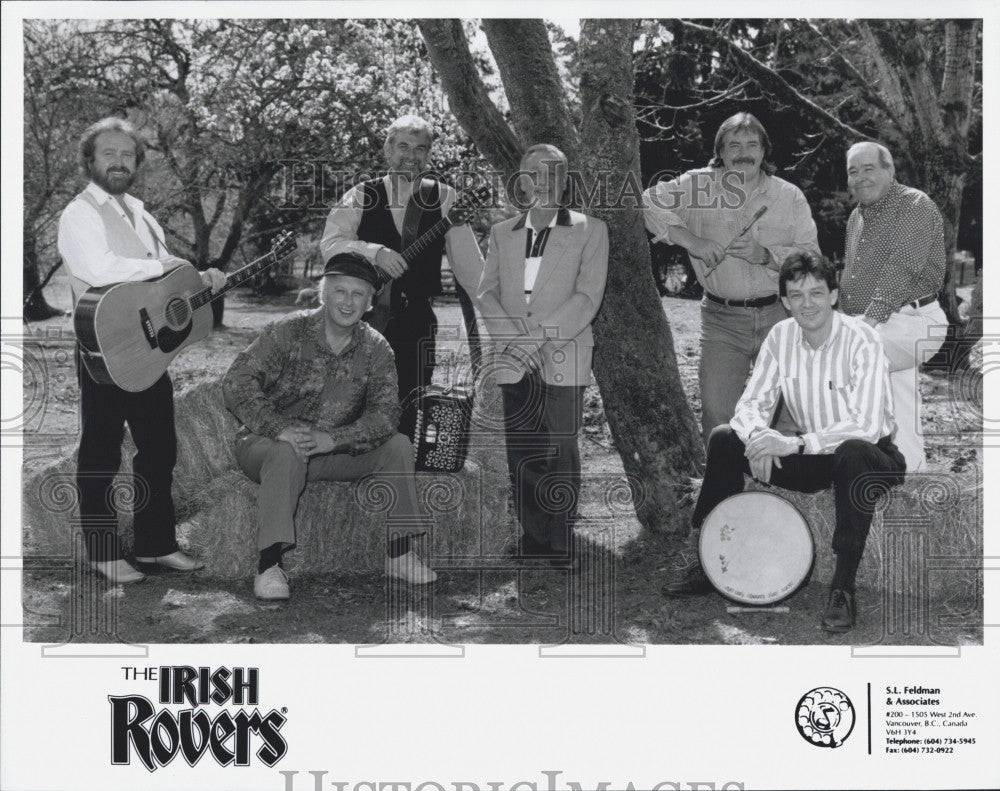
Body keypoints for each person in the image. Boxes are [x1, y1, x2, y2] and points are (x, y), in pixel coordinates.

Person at [661, 252, 905, 633]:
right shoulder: (781, 336)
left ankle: (842, 590)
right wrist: (759, 437)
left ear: (835, 295)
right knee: (725, 438)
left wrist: (794, 444)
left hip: (870, 457)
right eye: (797, 295)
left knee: (853, 452)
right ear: (786, 302)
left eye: (817, 293)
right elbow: (751, 404)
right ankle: (703, 556)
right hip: (811, 456)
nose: (807, 304)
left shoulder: (863, 339)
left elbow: (867, 425)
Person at [57, 117, 225, 584]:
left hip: (150, 350)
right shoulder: (79, 214)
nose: (118, 161)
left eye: (127, 154)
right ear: (89, 160)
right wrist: (162, 264)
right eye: (108, 153)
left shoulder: (142, 213)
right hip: (104, 348)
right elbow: (99, 266)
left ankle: (155, 546)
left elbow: (161, 281)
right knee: (101, 451)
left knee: (159, 451)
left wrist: (200, 278)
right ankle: (103, 552)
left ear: (137, 163)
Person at [222, 253, 437, 601]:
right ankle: (269, 565)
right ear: (324, 293)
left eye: (358, 294)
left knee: (397, 444)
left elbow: (385, 416)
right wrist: (279, 428)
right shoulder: (287, 331)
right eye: (340, 291)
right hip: (267, 446)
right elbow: (236, 381)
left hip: (329, 451)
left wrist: (333, 440)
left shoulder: (376, 348)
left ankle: (399, 554)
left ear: (369, 304)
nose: (347, 301)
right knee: (286, 450)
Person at [643, 112, 821, 444]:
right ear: (720, 152)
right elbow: (647, 202)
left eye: (752, 144)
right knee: (718, 416)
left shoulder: (788, 195)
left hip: (781, 318)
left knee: (788, 414)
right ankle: (725, 493)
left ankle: (784, 492)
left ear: (764, 151)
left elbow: (811, 256)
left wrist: (766, 255)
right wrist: (692, 241)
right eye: (734, 145)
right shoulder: (699, 185)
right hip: (722, 320)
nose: (743, 153)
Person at [478, 144, 608, 571]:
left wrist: (535, 339)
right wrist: (514, 342)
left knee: (560, 445)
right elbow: (487, 293)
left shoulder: (592, 230)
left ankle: (559, 539)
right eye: (536, 172)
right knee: (525, 447)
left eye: (555, 172)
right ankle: (533, 539)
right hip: (512, 354)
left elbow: (587, 298)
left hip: (564, 351)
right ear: (522, 180)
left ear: (565, 180)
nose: (545, 179)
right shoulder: (502, 232)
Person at [320, 114, 484, 438]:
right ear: (387, 149)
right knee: (355, 399)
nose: (412, 155)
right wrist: (375, 252)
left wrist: (511, 312)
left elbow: (472, 269)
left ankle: (397, 472)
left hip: (417, 320)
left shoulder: (445, 198)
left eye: (420, 148)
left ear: (428, 155)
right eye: (404, 146)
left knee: (409, 403)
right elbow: (330, 245)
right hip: (362, 318)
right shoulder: (361, 195)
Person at [840, 141, 948, 472]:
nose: (860, 178)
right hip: (880, 324)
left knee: (840, 360)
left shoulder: (914, 204)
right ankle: (911, 473)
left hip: (916, 319)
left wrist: (862, 326)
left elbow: (903, 266)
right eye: (853, 171)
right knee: (899, 399)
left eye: (868, 168)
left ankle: (834, 462)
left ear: (890, 170)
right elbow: (853, 277)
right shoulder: (855, 218)